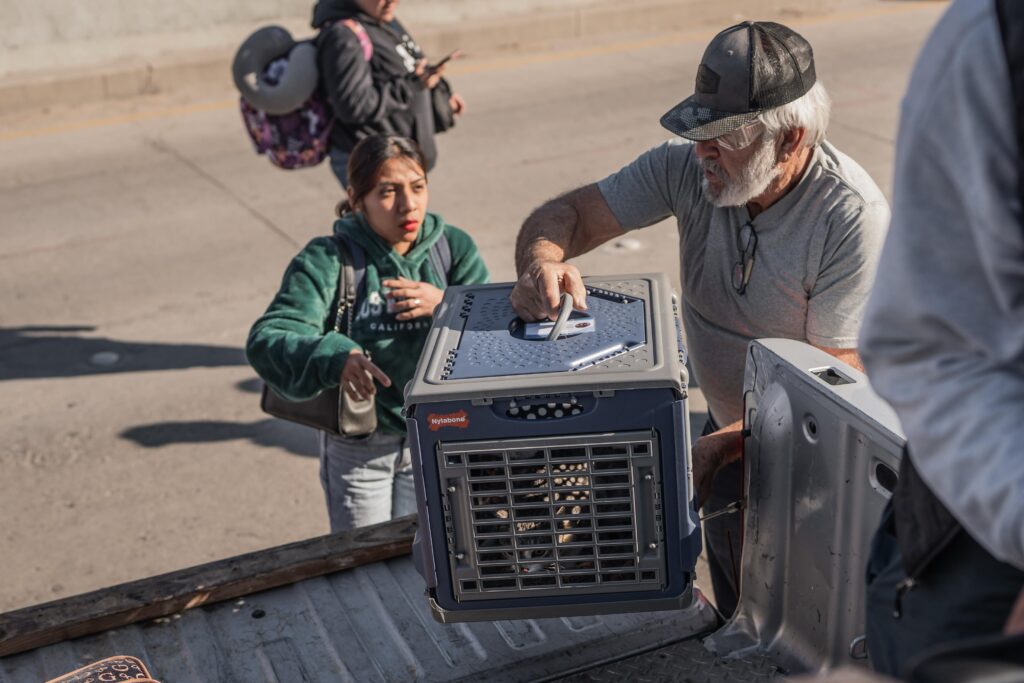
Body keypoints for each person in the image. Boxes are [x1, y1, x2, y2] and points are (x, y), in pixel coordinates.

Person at [510, 20, 889, 618]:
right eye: (698, 132)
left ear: (790, 140)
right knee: (734, 597)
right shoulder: (687, 168)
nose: (702, 151)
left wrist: (721, 446)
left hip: (808, 458)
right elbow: (571, 215)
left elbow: (831, 387)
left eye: (724, 136)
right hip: (724, 428)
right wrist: (540, 262)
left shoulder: (849, 216)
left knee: (793, 620)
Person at [858, 0, 1024, 676]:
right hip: (987, 526)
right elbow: (931, 350)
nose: (704, 153)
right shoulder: (992, 41)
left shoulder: (845, 208)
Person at [247, 135, 489, 532]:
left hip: (438, 442)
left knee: (428, 567)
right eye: (387, 192)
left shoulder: (453, 249)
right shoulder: (328, 258)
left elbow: (498, 338)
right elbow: (269, 338)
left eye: (418, 186)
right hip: (360, 449)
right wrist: (334, 356)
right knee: (366, 566)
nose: (408, 205)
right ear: (356, 198)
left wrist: (448, 305)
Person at [312, 0, 465, 188]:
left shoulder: (381, 19)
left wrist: (442, 96)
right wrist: (411, 86)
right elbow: (354, 105)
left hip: (400, 161)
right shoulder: (343, 36)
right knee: (385, 217)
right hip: (375, 165)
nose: (392, 1)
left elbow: (411, 65)